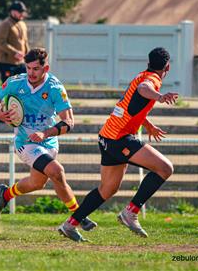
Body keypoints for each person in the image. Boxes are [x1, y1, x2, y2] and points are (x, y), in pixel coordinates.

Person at [58, 47, 178, 242]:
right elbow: (144, 90)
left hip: (107, 137)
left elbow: (130, 104)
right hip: (119, 138)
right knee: (165, 168)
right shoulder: (153, 80)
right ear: (168, 67)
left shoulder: (141, 75)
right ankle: (131, 212)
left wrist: (147, 124)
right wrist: (160, 96)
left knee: (107, 189)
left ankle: (70, 224)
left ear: (148, 63)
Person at [0, 47, 97, 231]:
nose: (31, 73)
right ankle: (79, 217)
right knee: (56, 171)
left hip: (48, 142)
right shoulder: (15, 83)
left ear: (45, 69)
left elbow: (69, 122)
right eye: (28, 68)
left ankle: (6, 194)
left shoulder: (55, 88)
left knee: (37, 183)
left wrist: (45, 134)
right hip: (26, 143)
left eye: (35, 69)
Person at [0, 0, 30, 84]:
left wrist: (29, 56)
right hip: (7, 63)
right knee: (8, 87)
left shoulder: (23, 24)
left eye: (23, 12)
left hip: (21, 62)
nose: (22, 14)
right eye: (20, 12)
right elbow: (2, 43)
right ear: (13, 12)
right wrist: (14, 52)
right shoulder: (5, 24)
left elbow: (25, 42)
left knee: (23, 86)